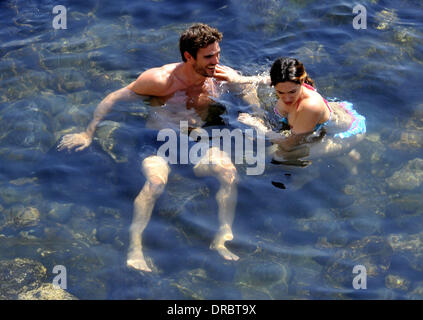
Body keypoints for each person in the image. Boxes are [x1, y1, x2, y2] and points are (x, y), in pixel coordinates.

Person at [58, 23, 245, 272]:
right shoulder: (160, 80)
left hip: (194, 142)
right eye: (209, 56)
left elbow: (250, 92)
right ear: (189, 56)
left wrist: (251, 110)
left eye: (218, 53)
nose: (216, 60)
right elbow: (113, 98)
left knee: (229, 172)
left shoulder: (218, 77)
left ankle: (224, 235)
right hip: (157, 142)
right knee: (156, 183)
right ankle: (135, 249)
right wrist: (88, 132)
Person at [216, 57, 366, 161]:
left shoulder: (309, 107)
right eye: (280, 92)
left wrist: (259, 127)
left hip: (346, 133)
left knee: (277, 156)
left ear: (301, 82)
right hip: (328, 117)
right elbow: (265, 79)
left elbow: (289, 145)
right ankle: (340, 153)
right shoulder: (287, 82)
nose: (286, 98)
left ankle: (341, 153)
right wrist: (240, 80)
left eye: (292, 92)